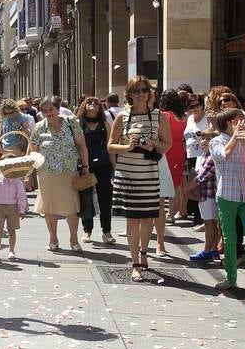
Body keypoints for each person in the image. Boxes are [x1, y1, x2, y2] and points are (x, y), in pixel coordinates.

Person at [108, 76, 172, 282]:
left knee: (147, 219)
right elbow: (110, 146)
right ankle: (135, 262)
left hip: (149, 175)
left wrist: (151, 145)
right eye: (137, 91)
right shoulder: (122, 117)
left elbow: (167, 145)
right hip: (127, 176)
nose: (141, 94)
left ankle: (144, 252)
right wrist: (127, 147)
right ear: (129, 94)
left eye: (144, 90)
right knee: (132, 219)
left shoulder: (159, 116)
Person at [209, 108, 245, 293]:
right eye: (237, 120)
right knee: (230, 240)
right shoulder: (216, 140)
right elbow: (223, 155)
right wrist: (235, 137)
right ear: (227, 123)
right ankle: (231, 278)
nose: (241, 123)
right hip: (227, 196)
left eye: (243, 119)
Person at [31, 97, 89, 252]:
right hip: (46, 173)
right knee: (49, 208)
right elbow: (33, 152)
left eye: (51, 109)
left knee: (72, 207)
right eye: (44, 110)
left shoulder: (71, 123)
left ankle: (74, 238)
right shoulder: (38, 127)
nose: (48, 113)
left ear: (58, 109)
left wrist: (85, 166)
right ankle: (53, 238)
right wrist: (30, 173)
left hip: (69, 171)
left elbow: (82, 146)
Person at [77, 97, 115, 244]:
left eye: (96, 103)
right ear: (84, 107)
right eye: (89, 103)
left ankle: (106, 231)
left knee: (105, 199)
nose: (92, 105)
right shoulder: (79, 124)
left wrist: (115, 167)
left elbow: (109, 146)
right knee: (86, 199)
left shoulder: (105, 124)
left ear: (100, 107)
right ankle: (87, 230)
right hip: (86, 166)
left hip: (104, 166)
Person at [188, 129, 221, 261]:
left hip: (209, 195)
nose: (204, 141)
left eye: (208, 139)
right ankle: (213, 250)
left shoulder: (211, 157)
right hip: (205, 195)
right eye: (203, 139)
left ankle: (207, 251)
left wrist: (185, 189)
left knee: (209, 225)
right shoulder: (205, 155)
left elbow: (201, 177)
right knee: (212, 224)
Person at [159, 89, 188, 223]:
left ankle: (163, 212)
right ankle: (172, 214)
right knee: (176, 184)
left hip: (167, 150)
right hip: (180, 150)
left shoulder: (165, 115)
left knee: (163, 182)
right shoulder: (184, 117)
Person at [184, 92, 209, 228]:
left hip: (203, 156)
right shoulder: (189, 119)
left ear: (202, 104)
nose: (194, 108)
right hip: (190, 155)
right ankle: (197, 217)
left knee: (201, 186)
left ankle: (202, 219)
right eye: (191, 105)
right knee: (192, 187)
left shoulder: (207, 119)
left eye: (197, 104)